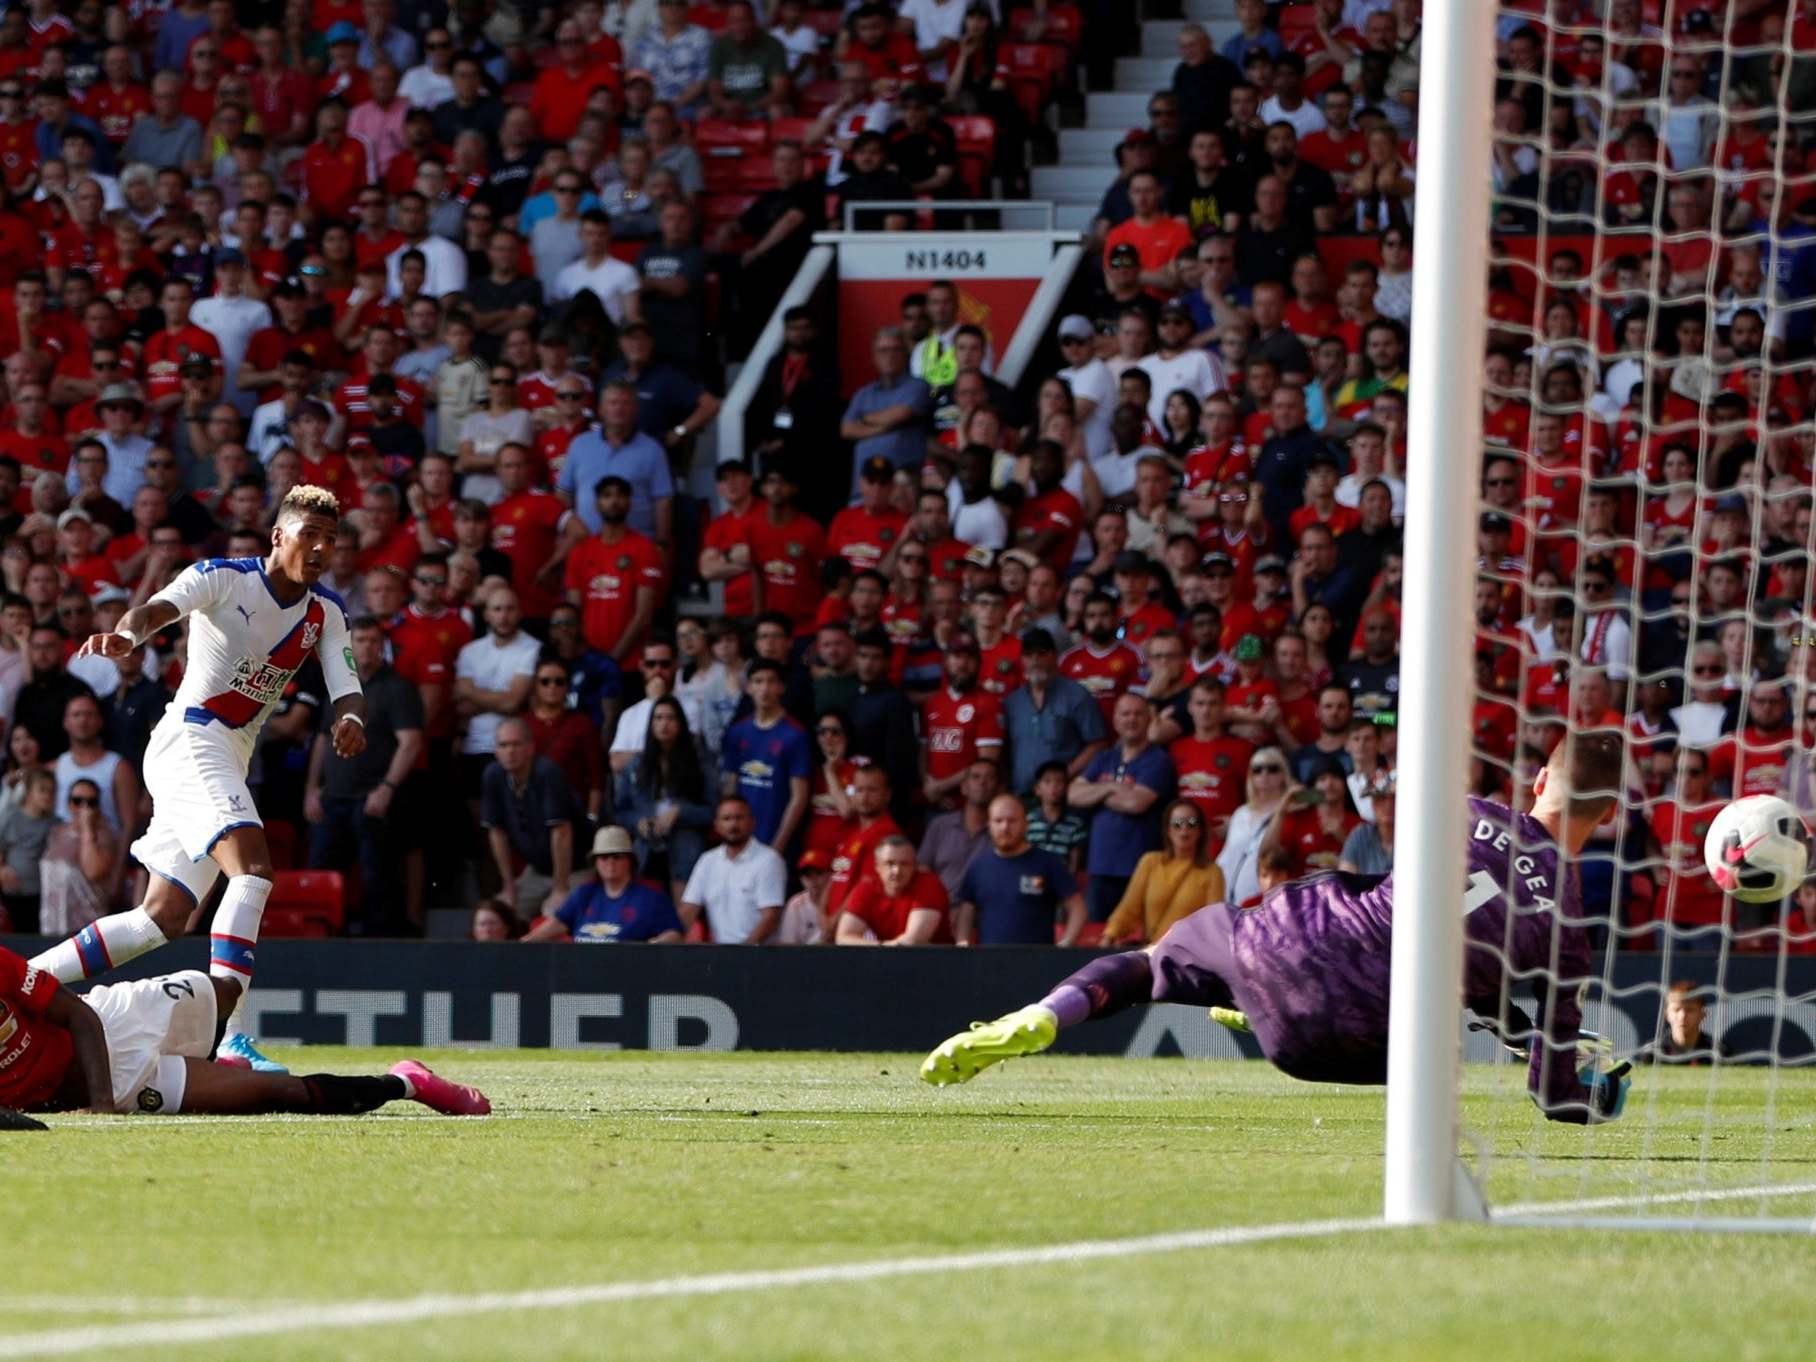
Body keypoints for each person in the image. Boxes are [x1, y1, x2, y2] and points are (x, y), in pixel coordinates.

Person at [924, 732, 1636, 1128]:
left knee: (1146, 964)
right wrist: (1596, 1097)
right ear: (1606, 818)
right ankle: (1265, 1009)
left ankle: (1042, 1016)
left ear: (1541, 779)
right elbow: (1553, 1098)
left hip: (1295, 939)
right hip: (1337, 1040)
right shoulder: (1569, 928)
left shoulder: (1463, 807)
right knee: (1448, 1029)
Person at [27, 487, 364, 1075]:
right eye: (309, 535)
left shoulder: (325, 613)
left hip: (227, 757)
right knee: (254, 871)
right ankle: (230, 1033)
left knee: (161, 919)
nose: (320, 548)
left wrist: (352, 718)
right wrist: (128, 637)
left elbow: (345, 679)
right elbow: (157, 609)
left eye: (330, 540)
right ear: (278, 536)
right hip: (191, 737)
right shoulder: (223, 578)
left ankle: (27, 982)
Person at [0, 942, 488, 1117]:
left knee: (225, 990)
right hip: (129, 1087)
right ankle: (406, 1083)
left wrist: (101, 1108)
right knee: (278, 1094)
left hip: (112, 1027)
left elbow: (79, 1018)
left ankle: (224, 1043)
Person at [303, 615, 424, 936]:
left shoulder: (397, 688)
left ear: (382, 646)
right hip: (333, 797)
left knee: (378, 878)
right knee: (320, 875)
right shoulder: (340, 686)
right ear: (350, 646)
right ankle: (319, 944)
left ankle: (379, 948)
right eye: (361, 641)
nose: (367, 647)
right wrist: (312, 788)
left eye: (373, 641)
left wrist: (386, 788)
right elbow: (322, 740)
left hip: (373, 798)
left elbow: (410, 743)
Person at [1068, 692, 1175, 922]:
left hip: (1138, 869)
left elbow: (1137, 803)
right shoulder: (1104, 758)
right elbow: (1073, 794)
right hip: (1099, 867)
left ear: (1149, 719)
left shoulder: (1158, 760)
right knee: (1097, 940)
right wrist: (1111, 788)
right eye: (1125, 714)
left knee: (1136, 945)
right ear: (1115, 720)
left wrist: (1098, 790)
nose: (1131, 719)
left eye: (1138, 714)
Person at [480, 717, 581, 923]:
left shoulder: (547, 772)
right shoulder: (493, 775)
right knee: (502, 915)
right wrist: (508, 885)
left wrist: (560, 888)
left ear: (530, 748)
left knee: (556, 915)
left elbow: (561, 831)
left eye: (516, 744)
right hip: (537, 870)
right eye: (503, 745)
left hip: (575, 868)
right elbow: (496, 831)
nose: (510, 751)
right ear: (496, 750)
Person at [615, 694, 714, 902]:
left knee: (683, 913)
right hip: (646, 849)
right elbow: (620, 810)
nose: (664, 724)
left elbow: (713, 812)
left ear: (681, 723)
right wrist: (638, 822)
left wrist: (681, 812)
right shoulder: (637, 765)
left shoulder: (699, 763)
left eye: (670, 718)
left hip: (686, 847)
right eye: (658, 718)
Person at [953, 794, 1083, 945]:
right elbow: (966, 912)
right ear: (989, 825)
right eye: (998, 820)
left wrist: (1065, 945)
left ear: (1026, 824)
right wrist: (963, 944)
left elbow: (1077, 909)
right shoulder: (978, 867)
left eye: (1012, 820)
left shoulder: (1049, 862)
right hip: (988, 963)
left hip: (1038, 963)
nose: (1005, 827)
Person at [525, 825, 684, 944]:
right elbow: (558, 923)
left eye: (617, 856)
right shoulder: (584, 892)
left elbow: (674, 934)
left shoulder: (651, 895)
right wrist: (525, 943)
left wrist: (652, 949)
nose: (610, 862)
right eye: (603, 857)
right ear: (595, 862)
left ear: (630, 860)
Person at [1102, 800, 1225, 948]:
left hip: (1188, 957)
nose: (1184, 829)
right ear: (1167, 829)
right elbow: (1129, 907)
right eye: (1177, 823)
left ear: (1200, 831)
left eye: (1191, 823)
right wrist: (1109, 936)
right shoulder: (1150, 862)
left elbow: (1213, 923)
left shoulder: (1212, 872)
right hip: (1152, 953)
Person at [719, 657, 810, 854]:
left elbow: (799, 796)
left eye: (771, 681)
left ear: (781, 687)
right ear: (749, 687)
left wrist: (779, 845)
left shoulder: (795, 735)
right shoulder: (738, 731)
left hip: (776, 838)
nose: (765, 688)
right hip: (741, 838)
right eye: (758, 681)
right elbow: (730, 786)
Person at [1002, 628, 1108, 794]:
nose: (1035, 661)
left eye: (1042, 654)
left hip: (1063, 794)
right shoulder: (1013, 702)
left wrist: (1066, 774)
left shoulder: (1077, 696)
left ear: (1054, 656)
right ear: (1022, 660)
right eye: (1029, 655)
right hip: (1021, 794)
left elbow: (1097, 744)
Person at [678, 796, 787, 944]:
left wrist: (741, 955)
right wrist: (669, 941)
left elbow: (771, 917)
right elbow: (689, 908)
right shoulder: (707, 860)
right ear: (717, 825)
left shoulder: (768, 860)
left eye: (739, 818)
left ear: (752, 822)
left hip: (759, 954)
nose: (733, 825)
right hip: (720, 954)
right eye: (726, 819)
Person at [834, 834, 953, 946]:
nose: (896, 871)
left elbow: (914, 941)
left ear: (915, 866)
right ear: (877, 866)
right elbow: (844, 937)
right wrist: (878, 947)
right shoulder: (867, 888)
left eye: (904, 864)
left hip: (935, 963)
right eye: (889, 863)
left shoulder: (929, 885)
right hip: (889, 958)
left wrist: (880, 950)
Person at [919, 758, 999, 902]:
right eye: (975, 777)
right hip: (940, 908)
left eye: (989, 777)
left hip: (983, 913)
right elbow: (922, 869)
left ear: (999, 788)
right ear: (964, 787)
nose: (982, 782)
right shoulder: (940, 825)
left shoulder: (1002, 830)